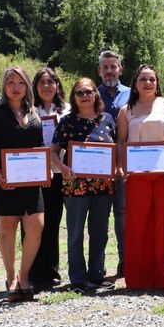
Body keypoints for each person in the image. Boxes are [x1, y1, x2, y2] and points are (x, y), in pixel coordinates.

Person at [0, 66, 45, 303]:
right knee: (8, 228)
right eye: (10, 83)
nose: (16, 88)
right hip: (3, 182)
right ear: (4, 86)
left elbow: (39, 147)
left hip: (30, 182)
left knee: (36, 227)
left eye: (21, 83)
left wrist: (42, 170)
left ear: (27, 86)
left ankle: (24, 276)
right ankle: (10, 277)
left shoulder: (34, 112)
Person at [117, 64, 164, 290]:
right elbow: (121, 142)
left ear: (157, 83)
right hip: (136, 176)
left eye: (152, 79)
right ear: (135, 83)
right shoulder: (126, 110)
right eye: (143, 79)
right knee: (138, 225)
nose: (148, 83)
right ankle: (139, 278)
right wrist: (120, 166)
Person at [52, 77, 117, 294]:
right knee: (75, 233)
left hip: (103, 187)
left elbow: (115, 150)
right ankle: (78, 279)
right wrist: (63, 168)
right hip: (75, 187)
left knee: (100, 232)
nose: (85, 96)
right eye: (80, 93)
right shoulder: (67, 122)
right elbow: (53, 152)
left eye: (89, 92)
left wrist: (116, 167)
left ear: (95, 94)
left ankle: (96, 276)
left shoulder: (107, 119)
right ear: (74, 97)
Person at [29, 67, 68, 291]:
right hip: (34, 174)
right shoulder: (27, 111)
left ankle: (51, 270)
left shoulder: (66, 110)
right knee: (34, 225)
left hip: (58, 172)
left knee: (53, 222)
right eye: (42, 82)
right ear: (35, 86)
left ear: (57, 86)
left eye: (51, 82)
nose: (46, 86)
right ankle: (33, 271)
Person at [96, 49, 128, 276]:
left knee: (122, 214)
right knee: (98, 217)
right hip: (97, 166)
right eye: (105, 67)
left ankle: (125, 261)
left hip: (126, 164)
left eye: (113, 66)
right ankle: (97, 266)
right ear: (99, 70)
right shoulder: (90, 94)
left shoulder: (131, 94)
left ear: (120, 69)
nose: (109, 71)